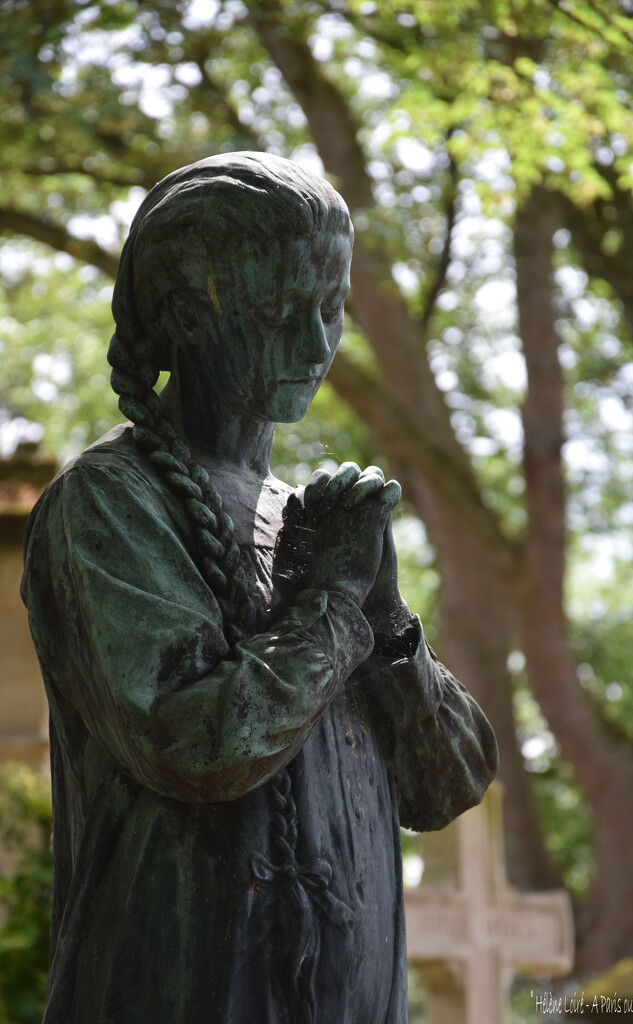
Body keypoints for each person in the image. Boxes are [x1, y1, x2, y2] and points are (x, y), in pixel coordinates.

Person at [22, 152, 498, 1024]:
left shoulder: (312, 521)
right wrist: (329, 608)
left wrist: (385, 617)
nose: (318, 345)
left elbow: (451, 782)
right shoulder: (108, 504)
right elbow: (196, 743)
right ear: (180, 315)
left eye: (331, 308)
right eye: (281, 313)